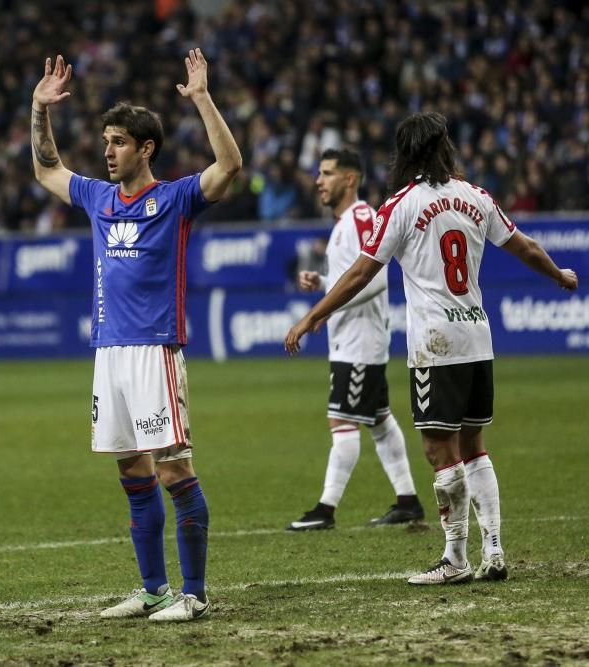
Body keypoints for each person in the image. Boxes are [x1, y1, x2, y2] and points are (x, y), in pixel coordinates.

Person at [284, 112, 578, 584]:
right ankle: (494, 550)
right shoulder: (475, 196)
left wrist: (312, 315)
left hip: (435, 346)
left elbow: (362, 273)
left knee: (439, 451)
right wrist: (559, 274)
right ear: (444, 148)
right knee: (475, 446)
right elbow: (524, 246)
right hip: (478, 337)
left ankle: (456, 558)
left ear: (405, 154)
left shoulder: (401, 204)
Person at [31, 49, 242, 621]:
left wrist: (201, 99)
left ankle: (194, 595)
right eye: (106, 141)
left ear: (145, 149)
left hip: (156, 348)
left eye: (119, 141)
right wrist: (39, 109)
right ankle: (152, 589)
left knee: (174, 467)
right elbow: (47, 170)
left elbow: (229, 166)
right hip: (109, 352)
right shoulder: (98, 197)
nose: (108, 151)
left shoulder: (174, 198)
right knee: (132, 469)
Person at [287, 149, 424, 531]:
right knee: (379, 419)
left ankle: (325, 509)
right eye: (319, 173)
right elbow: (353, 280)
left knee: (341, 419)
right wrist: (326, 285)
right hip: (355, 338)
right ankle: (408, 501)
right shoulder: (348, 222)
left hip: (360, 341)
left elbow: (376, 278)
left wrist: (322, 309)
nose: (318, 181)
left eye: (327, 173)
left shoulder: (362, 218)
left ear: (349, 179)